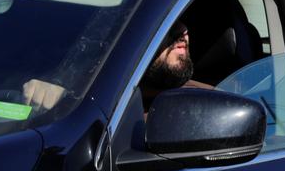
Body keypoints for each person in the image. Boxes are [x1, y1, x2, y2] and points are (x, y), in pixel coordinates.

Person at [22, 20, 212, 114]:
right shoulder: (80, 101)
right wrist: (59, 99)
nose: (182, 30)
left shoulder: (206, 106)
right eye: (164, 21)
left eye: (180, 16)